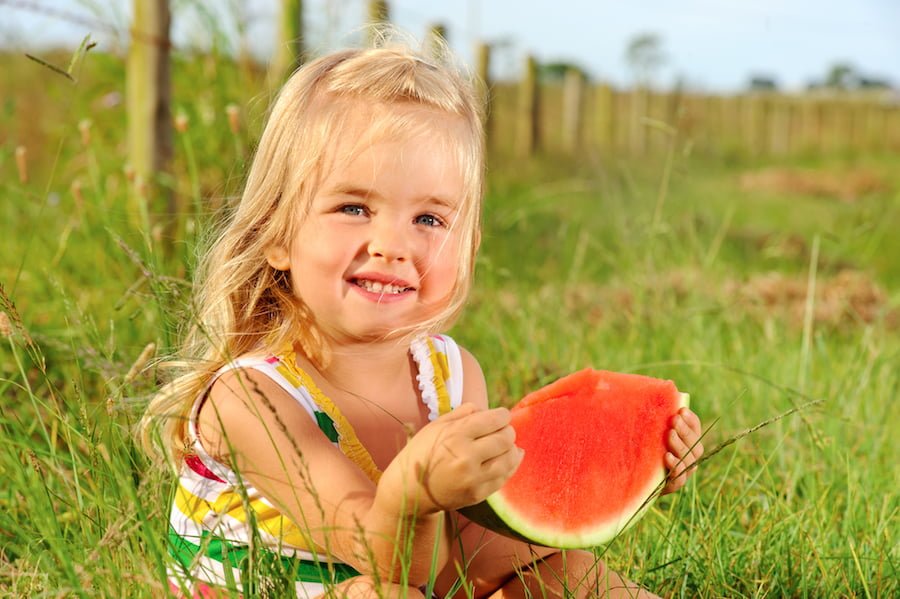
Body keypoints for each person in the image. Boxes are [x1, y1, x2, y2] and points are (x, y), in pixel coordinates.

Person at [140, 35, 704, 599]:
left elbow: (464, 558)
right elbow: (392, 564)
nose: (392, 244)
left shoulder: (451, 375)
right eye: (354, 208)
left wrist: (630, 460)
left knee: (572, 573)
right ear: (276, 232)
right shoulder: (251, 399)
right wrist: (413, 492)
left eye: (430, 220)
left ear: (469, 248)